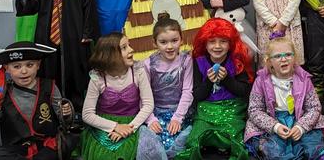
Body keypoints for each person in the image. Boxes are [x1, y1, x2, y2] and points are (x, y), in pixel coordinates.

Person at [176, 18, 253, 160]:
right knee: (194, 139)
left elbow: (244, 92)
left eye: (223, 41)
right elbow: (198, 95)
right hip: (206, 109)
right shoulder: (199, 61)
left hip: (232, 109)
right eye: (212, 41)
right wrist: (209, 82)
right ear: (204, 43)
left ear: (230, 44)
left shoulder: (236, 60)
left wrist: (227, 80)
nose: (217, 46)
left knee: (234, 138)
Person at [244, 38, 324, 159]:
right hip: (272, 120)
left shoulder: (304, 79)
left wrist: (301, 127)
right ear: (269, 61)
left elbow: (314, 107)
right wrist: (275, 127)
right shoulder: (261, 81)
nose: (284, 59)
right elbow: (254, 110)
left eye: (288, 54)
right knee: (272, 150)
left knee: (313, 148)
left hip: (299, 118)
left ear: (294, 58)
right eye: (277, 56)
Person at [0, 42, 71, 159]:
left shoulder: (49, 87)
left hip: (46, 144)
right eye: (16, 66)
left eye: (29, 65)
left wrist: (66, 113)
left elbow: (64, 121)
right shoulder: (2, 92)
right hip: (17, 147)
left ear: (38, 65)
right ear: (7, 68)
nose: (24, 71)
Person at [81, 33, 154, 160]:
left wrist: (130, 128)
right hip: (105, 124)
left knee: (129, 152)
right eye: (124, 47)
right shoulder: (97, 78)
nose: (131, 50)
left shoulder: (138, 71)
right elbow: (87, 114)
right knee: (102, 155)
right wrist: (115, 127)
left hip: (133, 122)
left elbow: (148, 104)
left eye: (129, 45)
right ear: (110, 55)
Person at [138, 13, 193, 159]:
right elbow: (144, 95)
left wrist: (178, 118)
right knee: (154, 142)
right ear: (154, 43)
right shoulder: (148, 64)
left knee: (182, 140)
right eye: (163, 42)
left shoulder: (186, 61)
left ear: (181, 39)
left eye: (174, 41)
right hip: (156, 113)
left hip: (180, 112)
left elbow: (187, 91)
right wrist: (150, 119)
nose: (169, 47)